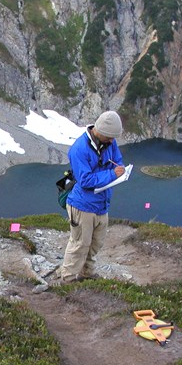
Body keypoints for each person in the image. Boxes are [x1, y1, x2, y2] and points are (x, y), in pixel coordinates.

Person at [58, 110, 125, 282]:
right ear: (100, 131)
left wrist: (120, 169)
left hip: (102, 204)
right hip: (82, 206)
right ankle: (68, 277)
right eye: (110, 137)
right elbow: (85, 180)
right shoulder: (79, 149)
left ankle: (87, 273)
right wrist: (112, 175)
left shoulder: (110, 142)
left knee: (96, 243)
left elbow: (117, 160)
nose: (112, 141)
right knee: (80, 243)